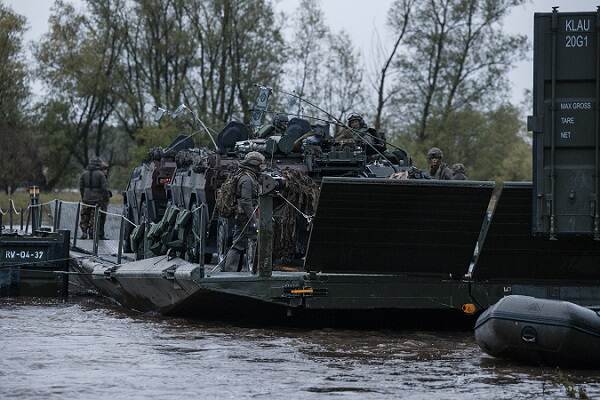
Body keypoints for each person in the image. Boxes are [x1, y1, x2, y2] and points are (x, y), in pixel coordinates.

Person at [223, 151, 266, 272]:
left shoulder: (248, 176)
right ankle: (230, 271)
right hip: (245, 217)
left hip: (245, 216)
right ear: (255, 164)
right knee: (238, 245)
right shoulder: (247, 179)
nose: (261, 168)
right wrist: (254, 220)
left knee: (240, 243)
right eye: (260, 165)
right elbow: (246, 201)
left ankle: (232, 270)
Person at [79, 158, 110, 240]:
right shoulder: (101, 174)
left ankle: (84, 232)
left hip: (86, 199)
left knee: (84, 216)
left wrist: (83, 197)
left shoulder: (84, 174)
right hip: (97, 200)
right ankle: (92, 233)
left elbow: (81, 187)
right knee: (94, 217)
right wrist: (106, 198)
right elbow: (104, 188)